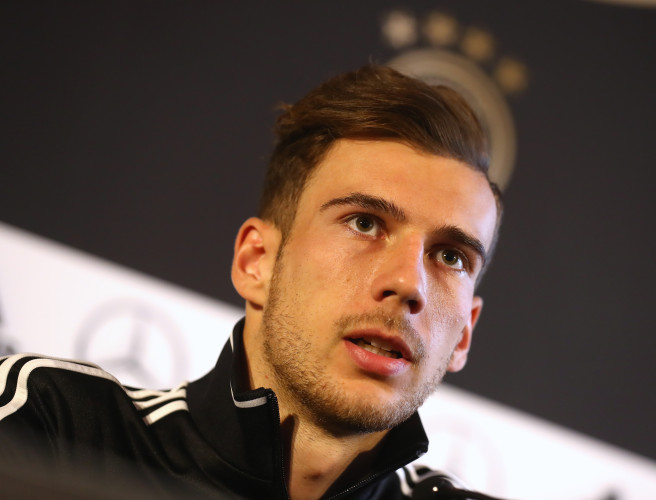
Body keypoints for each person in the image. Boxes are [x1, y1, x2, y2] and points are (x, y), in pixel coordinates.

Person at [0, 65, 502, 499]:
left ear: (465, 333)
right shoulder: (54, 429)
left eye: (451, 257)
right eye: (365, 223)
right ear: (256, 261)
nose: (409, 283)